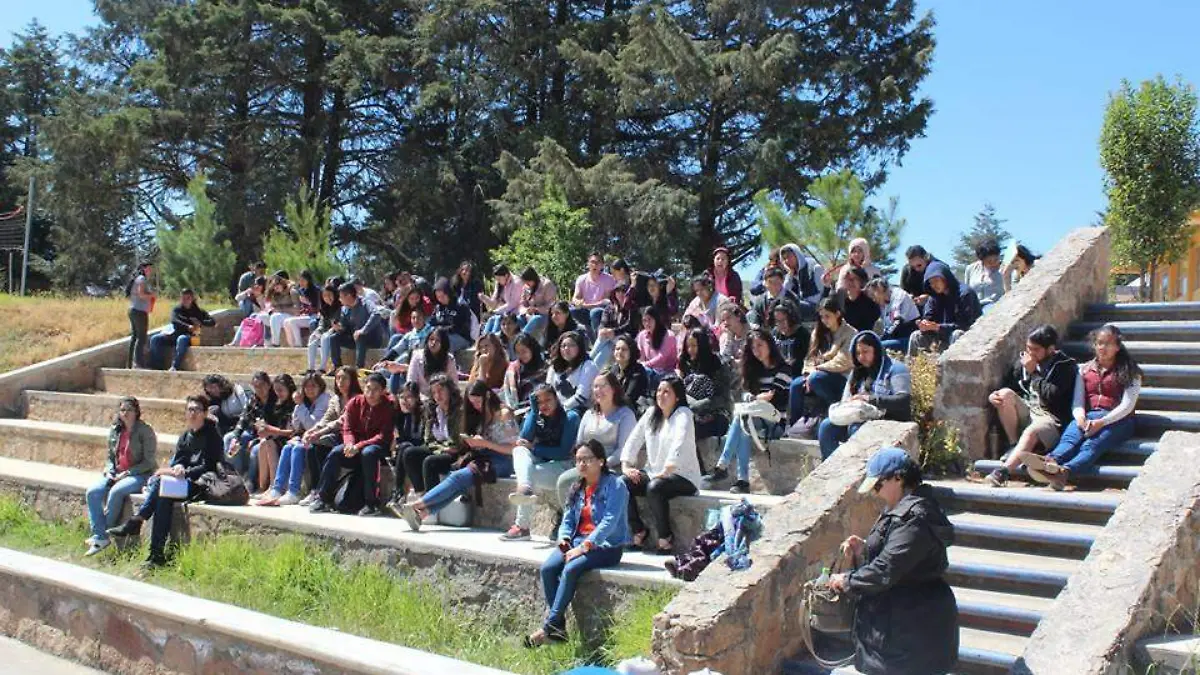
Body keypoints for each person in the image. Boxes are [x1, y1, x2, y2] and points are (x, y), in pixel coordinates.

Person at [828, 447, 958, 675]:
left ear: (898, 478)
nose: (875, 492)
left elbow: (887, 568)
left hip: (908, 628)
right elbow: (896, 555)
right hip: (900, 623)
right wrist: (864, 548)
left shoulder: (915, 518)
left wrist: (847, 581)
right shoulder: (904, 509)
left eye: (878, 485)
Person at [525, 439, 628, 647]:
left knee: (571, 569)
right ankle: (558, 628)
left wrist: (584, 547)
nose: (581, 464)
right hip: (577, 540)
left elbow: (609, 521)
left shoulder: (616, 485)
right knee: (548, 568)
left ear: (600, 461)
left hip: (607, 546)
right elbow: (568, 519)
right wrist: (563, 539)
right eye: (578, 460)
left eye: (587, 460)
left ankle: (550, 626)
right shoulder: (577, 487)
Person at [107, 395, 224, 569]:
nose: (192, 413)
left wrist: (185, 472)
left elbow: (209, 466)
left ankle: (138, 521)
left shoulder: (212, 435)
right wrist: (177, 468)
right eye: (190, 409)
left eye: (197, 410)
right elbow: (179, 459)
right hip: (182, 481)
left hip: (202, 484)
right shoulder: (186, 435)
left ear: (205, 413)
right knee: (163, 496)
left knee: (162, 486)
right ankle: (156, 555)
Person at [396, 381, 519, 528]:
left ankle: (416, 505)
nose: (476, 405)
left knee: (457, 477)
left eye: (478, 401)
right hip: (483, 456)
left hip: (504, 461)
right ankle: (423, 514)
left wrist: (485, 444)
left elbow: (513, 449)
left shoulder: (503, 414)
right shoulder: (480, 414)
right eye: (472, 402)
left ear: (487, 395)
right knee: (459, 482)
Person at [1040, 324, 1142, 491]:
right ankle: (1050, 462)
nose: (1103, 347)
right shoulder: (1084, 370)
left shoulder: (1131, 372)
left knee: (1092, 445)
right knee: (1070, 438)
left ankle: (1065, 473)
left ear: (1117, 347)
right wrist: (1080, 417)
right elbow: (1078, 401)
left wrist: (1102, 422)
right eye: (1099, 343)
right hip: (1089, 416)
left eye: (1108, 343)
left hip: (1119, 420)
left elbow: (1127, 405)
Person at [985, 325, 1078, 487]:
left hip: (1051, 419)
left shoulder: (1065, 366)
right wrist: (994, 395)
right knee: (1004, 394)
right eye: (1028, 348)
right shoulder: (1023, 362)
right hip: (1029, 410)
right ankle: (1015, 446)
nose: (1030, 353)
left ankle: (1003, 472)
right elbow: (1010, 386)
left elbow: (1052, 397)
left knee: (1032, 431)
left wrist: (1034, 373)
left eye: (1035, 349)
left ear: (1050, 349)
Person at [620, 376, 701, 552]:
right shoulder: (650, 414)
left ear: (677, 397)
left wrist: (667, 469)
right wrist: (626, 465)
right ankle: (638, 531)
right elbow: (634, 439)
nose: (661, 395)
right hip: (654, 473)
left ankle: (665, 537)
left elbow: (680, 440)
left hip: (683, 476)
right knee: (622, 483)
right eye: (659, 391)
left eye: (666, 392)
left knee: (654, 488)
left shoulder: (684, 414)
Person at [705, 329, 790, 493]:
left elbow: (772, 395)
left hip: (775, 423)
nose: (757, 350)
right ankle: (742, 481)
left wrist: (753, 398)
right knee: (744, 422)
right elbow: (747, 395)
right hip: (753, 418)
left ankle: (724, 466)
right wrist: (755, 397)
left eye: (760, 345)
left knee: (743, 420)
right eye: (753, 347)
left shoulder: (784, 369)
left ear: (770, 345)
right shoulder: (754, 370)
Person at [309, 372, 396, 516]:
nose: (370, 393)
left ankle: (372, 504)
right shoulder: (355, 403)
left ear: (382, 391)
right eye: (368, 388)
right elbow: (347, 428)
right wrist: (349, 444)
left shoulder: (388, 406)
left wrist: (358, 446)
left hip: (376, 448)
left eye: (375, 390)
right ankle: (323, 498)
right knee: (336, 452)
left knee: (369, 453)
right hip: (354, 447)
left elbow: (383, 436)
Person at [502, 384, 582, 541]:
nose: (544, 405)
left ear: (556, 399)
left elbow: (562, 452)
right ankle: (525, 488)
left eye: (548, 400)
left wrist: (533, 447)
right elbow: (524, 438)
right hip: (542, 464)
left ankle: (522, 526)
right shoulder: (537, 415)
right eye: (539, 402)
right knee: (519, 451)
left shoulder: (570, 417)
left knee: (528, 472)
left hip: (564, 467)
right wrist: (533, 410)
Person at [818, 331, 912, 459]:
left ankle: (861, 470)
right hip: (861, 418)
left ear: (876, 350)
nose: (861, 357)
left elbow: (903, 400)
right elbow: (846, 400)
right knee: (827, 426)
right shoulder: (858, 372)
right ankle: (833, 467)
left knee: (857, 430)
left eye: (866, 352)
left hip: (889, 421)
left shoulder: (896, 369)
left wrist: (870, 399)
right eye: (858, 353)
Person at [553, 370, 639, 510]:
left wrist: (600, 464)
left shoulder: (625, 415)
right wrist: (583, 463)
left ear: (614, 388)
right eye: (595, 386)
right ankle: (573, 521)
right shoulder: (588, 414)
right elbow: (579, 444)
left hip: (613, 467)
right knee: (564, 481)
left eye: (603, 386)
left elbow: (624, 450)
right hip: (587, 466)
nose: (598, 390)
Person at [85, 397, 158, 556]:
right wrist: (109, 470)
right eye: (122, 410)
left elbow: (149, 462)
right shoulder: (116, 430)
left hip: (140, 474)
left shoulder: (145, 431)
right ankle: (101, 535)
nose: (125, 413)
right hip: (117, 473)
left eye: (129, 410)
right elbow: (110, 457)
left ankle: (102, 535)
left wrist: (126, 474)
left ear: (136, 412)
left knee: (117, 491)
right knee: (92, 492)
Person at [257, 372, 330, 505]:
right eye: (306, 387)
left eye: (313, 386)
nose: (310, 390)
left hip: (322, 437)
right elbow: (297, 426)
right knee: (287, 447)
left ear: (320, 387)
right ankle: (278, 489)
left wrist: (300, 405)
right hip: (306, 436)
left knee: (297, 448)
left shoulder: (324, 400)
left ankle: (294, 491)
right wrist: (299, 407)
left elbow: (311, 425)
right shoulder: (306, 402)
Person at [299, 367, 362, 506]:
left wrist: (319, 433)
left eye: (345, 378)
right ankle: (315, 489)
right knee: (312, 447)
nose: (341, 381)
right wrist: (310, 432)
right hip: (336, 436)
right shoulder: (335, 399)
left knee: (324, 445)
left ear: (352, 380)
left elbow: (341, 421)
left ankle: (324, 492)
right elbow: (326, 419)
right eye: (338, 378)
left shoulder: (357, 399)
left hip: (352, 438)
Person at [790, 297, 855, 429]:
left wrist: (817, 369)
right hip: (817, 373)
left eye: (827, 316)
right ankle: (792, 425)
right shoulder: (818, 332)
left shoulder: (850, 333)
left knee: (816, 378)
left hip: (842, 376)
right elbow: (809, 357)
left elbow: (843, 361)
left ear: (837, 314)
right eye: (821, 316)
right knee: (796, 385)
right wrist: (808, 372)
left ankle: (836, 410)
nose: (824, 320)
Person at [400, 374, 464, 502]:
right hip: (440, 449)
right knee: (409, 453)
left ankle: (432, 502)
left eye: (441, 390)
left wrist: (445, 449)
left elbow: (459, 441)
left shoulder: (459, 412)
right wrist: (441, 449)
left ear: (450, 390)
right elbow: (428, 439)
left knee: (430, 462)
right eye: (434, 392)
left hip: (455, 452)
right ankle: (421, 495)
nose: (437, 395)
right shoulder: (431, 410)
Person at [678, 329, 733, 465]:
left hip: (717, 415)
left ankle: (699, 471)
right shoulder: (687, 364)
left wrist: (696, 407)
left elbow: (722, 398)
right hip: (691, 414)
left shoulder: (716, 364)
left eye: (694, 346)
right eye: (688, 346)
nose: (690, 350)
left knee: (688, 431)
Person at [908, 261, 982, 357]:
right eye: (931, 282)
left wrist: (938, 327)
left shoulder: (964, 293)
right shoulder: (933, 297)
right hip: (941, 339)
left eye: (936, 280)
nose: (934, 285)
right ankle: (913, 368)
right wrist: (924, 325)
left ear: (945, 278)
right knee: (916, 336)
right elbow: (929, 318)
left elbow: (965, 325)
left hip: (967, 340)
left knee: (957, 334)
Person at [224, 371, 276, 486]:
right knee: (229, 438)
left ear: (269, 384)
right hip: (253, 433)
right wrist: (236, 436)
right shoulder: (253, 399)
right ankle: (237, 476)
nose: (259, 389)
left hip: (269, 437)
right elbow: (244, 418)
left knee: (255, 450)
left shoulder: (275, 400)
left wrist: (255, 441)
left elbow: (273, 427)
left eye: (262, 385)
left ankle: (251, 481)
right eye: (256, 386)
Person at [249, 373, 297, 493]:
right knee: (263, 444)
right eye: (276, 390)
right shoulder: (276, 404)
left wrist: (270, 430)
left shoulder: (294, 406)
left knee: (269, 443)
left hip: (290, 438)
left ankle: (273, 485)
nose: (278, 393)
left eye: (281, 390)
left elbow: (292, 431)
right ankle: (262, 486)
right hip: (277, 437)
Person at [148, 289, 215, 371]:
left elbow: (212, 322)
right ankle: (157, 366)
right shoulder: (177, 310)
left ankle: (175, 366)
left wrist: (200, 323)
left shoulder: (198, 311)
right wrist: (188, 326)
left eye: (187, 298)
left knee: (181, 339)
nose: (185, 300)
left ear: (192, 299)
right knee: (155, 339)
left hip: (188, 336)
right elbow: (174, 320)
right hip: (174, 334)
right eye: (183, 298)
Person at [324, 282, 386, 369]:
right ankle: (337, 367)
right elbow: (345, 328)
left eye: (341, 297)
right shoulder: (345, 309)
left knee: (360, 336)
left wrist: (363, 330)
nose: (339, 300)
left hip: (372, 338)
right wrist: (339, 327)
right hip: (355, 339)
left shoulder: (366, 303)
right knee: (334, 338)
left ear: (349, 296)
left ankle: (358, 368)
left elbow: (376, 315)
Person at [375, 307, 433, 393]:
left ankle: (382, 373)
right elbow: (397, 349)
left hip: (424, 365)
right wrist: (383, 360)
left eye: (419, 318)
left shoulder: (432, 333)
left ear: (424, 319)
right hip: (409, 364)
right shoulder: (410, 335)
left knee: (402, 359)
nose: (416, 320)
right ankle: (382, 370)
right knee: (400, 360)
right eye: (413, 318)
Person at [385, 381, 425, 505]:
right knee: (403, 447)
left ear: (417, 398)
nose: (404, 401)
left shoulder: (424, 413)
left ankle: (397, 491)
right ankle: (398, 492)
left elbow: (423, 438)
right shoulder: (399, 414)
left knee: (405, 447)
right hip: (404, 451)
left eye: (409, 397)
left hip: (421, 448)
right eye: (402, 397)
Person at [546, 331, 600, 414]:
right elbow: (547, 390)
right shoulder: (554, 366)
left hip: (580, 410)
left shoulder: (588, 366)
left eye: (572, 345)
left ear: (579, 347)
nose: (566, 348)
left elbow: (581, 396)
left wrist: (560, 410)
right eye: (563, 346)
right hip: (555, 409)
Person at [865, 277, 919, 353]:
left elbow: (897, 323)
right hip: (897, 338)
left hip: (910, 338)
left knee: (877, 348)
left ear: (879, 289)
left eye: (873, 295)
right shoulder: (883, 305)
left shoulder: (898, 295)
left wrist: (882, 339)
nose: (873, 299)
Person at [403, 327, 460, 397]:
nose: (433, 343)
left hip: (442, 398)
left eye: (438, 340)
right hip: (421, 398)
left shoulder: (449, 359)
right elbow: (411, 382)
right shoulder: (417, 357)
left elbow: (454, 385)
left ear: (443, 343)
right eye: (431, 339)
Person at [571, 252, 617, 337]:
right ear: (588, 264)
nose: (594, 265)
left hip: (602, 310)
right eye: (592, 262)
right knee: (571, 310)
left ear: (602, 265)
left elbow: (605, 301)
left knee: (594, 312)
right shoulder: (581, 279)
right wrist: (578, 302)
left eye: (598, 262)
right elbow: (575, 298)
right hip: (585, 309)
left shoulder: (609, 279)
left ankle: (598, 340)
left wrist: (587, 306)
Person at [501, 333, 548, 414]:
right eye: (518, 352)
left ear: (532, 349)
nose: (521, 355)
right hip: (519, 409)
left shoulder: (545, 367)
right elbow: (508, 394)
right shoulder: (513, 368)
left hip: (542, 407)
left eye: (524, 351)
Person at [429, 277, 473, 353]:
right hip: (440, 336)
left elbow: (459, 327)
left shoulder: (460, 306)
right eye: (438, 297)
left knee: (443, 345)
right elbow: (432, 323)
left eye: (443, 296)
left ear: (448, 293)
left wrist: (442, 330)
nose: (440, 299)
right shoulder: (438, 308)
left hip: (460, 336)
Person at [778, 244, 824, 316]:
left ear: (797, 254)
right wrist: (790, 276)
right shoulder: (791, 275)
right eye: (784, 259)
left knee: (788, 306)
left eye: (789, 256)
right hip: (803, 307)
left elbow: (822, 293)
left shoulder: (813, 267)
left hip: (818, 307)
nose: (787, 261)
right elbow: (782, 295)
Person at [611, 334, 650, 415]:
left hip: (632, 412)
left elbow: (628, 398)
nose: (619, 352)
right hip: (615, 407)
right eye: (617, 349)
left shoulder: (638, 372)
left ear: (631, 352)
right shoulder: (614, 369)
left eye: (624, 349)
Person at [281, 269, 322, 347]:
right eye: (299, 280)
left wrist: (308, 302)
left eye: (303, 280)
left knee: (293, 322)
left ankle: (298, 344)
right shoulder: (301, 290)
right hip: (306, 316)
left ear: (308, 280)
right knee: (286, 322)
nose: (301, 282)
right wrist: (302, 312)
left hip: (314, 316)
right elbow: (303, 308)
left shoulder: (316, 290)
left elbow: (318, 308)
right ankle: (292, 345)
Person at [126, 261, 155, 369]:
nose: (150, 271)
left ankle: (130, 364)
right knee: (141, 337)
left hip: (133, 310)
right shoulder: (142, 279)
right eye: (148, 268)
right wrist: (152, 295)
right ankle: (138, 364)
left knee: (134, 337)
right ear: (143, 269)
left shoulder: (137, 279)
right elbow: (141, 294)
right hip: (139, 311)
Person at [481, 264, 525, 334]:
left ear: (506, 275)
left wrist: (496, 311)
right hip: (506, 312)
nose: (497, 281)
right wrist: (484, 298)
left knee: (498, 319)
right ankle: (483, 339)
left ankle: (493, 341)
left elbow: (512, 304)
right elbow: (493, 303)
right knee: (491, 319)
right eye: (496, 279)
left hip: (517, 312)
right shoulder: (499, 283)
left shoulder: (516, 283)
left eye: (499, 279)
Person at [307, 283, 341, 372]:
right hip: (326, 330)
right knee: (313, 338)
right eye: (324, 296)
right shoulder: (324, 308)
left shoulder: (340, 306)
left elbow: (338, 323)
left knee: (325, 338)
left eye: (329, 295)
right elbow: (322, 323)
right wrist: (318, 331)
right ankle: (311, 368)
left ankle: (322, 368)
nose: (327, 298)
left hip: (337, 331)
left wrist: (328, 331)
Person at [637, 306, 678, 380]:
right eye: (644, 320)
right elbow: (641, 356)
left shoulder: (669, 335)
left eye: (649, 319)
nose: (647, 323)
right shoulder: (642, 335)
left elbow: (661, 358)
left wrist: (644, 365)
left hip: (667, 372)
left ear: (656, 319)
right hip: (649, 370)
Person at [837, 267, 882, 333]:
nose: (850, 282)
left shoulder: (870, 304)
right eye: (847, 279)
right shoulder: (839, 299)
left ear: (862, 282)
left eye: (854, 279)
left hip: (863, 338)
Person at [964, 239, 1006, 309]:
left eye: (996, 259)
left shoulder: (1005, 269)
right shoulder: (971, 269)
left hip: (995, 306)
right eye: (989, 261)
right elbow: (967, 291)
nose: (993, 263)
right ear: (982, 260)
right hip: (974, 308)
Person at [770, 300, 810, 374]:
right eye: (777, 321)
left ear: (791, 318)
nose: (780, 324)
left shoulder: (803, 334)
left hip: (797, 373)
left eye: (783, 320)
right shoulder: (774, 333)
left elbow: (807, 358)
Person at [518, 267, 559, 338]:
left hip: (545, 316)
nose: (526, 284)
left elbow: (551, 305)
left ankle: (521, 338)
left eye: (528, 282)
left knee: (535, 319)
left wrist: (536, 309)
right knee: (517, 319)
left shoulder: (547, 285)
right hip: (529, 314)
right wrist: (526, 310)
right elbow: (522, 303)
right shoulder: (526, 286)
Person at [264, 273, 300, 348]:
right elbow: (268, 305)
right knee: (261, 317)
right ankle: (266, 341)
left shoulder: (292, 291)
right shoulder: (274, 293)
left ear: (283, 283)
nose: (275, 287)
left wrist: (280, 309)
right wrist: (271, 310)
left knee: (275, 317)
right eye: (274, 285)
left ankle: (275, 343)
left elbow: (297, 310)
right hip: (279, 316)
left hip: (291, 315)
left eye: (278, 284)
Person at [718, 303, 750, 380]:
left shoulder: (753, 332)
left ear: (738, 316)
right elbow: (724, 358)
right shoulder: (727, 337)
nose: (725, 323)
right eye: (723, 320)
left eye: (728, 318)